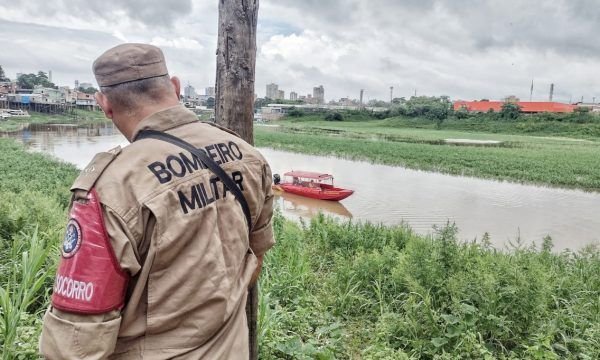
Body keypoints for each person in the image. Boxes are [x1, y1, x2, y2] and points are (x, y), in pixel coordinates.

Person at [39, 43, 275, 359]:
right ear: (175, 87)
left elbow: (76, 342)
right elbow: (255, 256)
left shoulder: (114, 186)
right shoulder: (247, 156)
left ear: (104, 104)